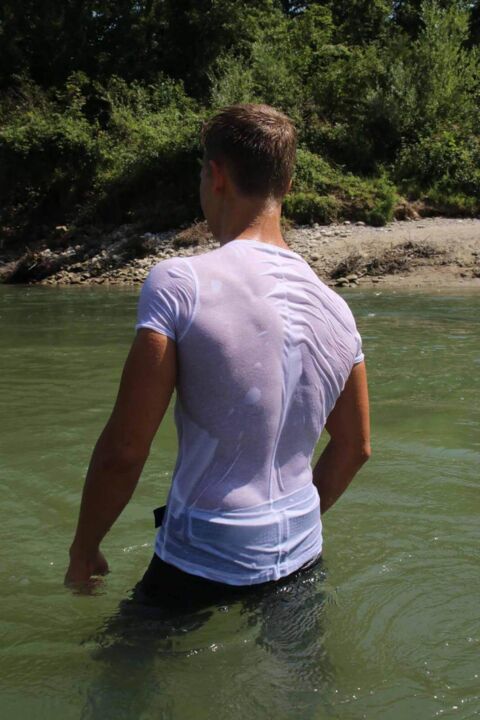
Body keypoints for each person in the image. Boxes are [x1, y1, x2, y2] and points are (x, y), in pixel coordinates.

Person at [64, 103, 371, 609]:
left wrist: (84, 549)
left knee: (123, 659)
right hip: (301, 551)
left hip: (202, 552)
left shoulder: (181, 284)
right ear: (287, 185)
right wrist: (286, 528)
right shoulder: (336, 308)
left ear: (216, 175)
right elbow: (355, 447)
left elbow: (126, 449)